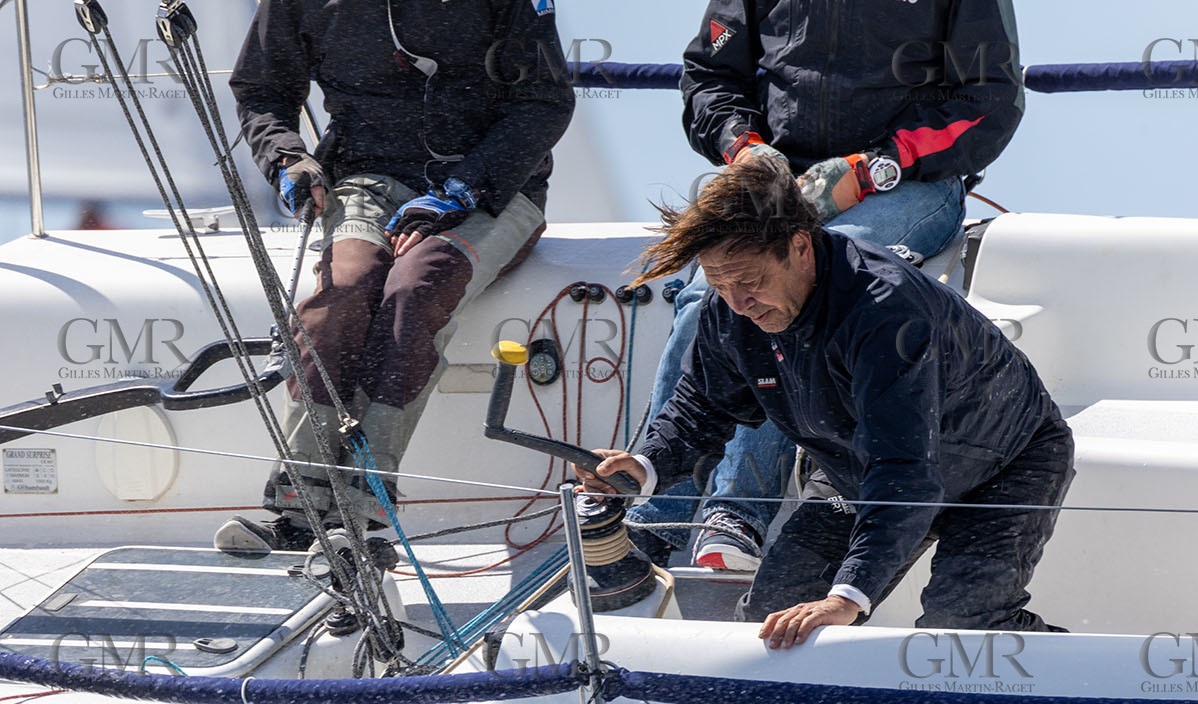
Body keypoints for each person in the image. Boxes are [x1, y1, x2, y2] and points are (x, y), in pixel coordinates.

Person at [576, 157, 1072, 648]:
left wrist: (848, 596)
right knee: (772, 622)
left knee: (963, 625)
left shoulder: (885, 309)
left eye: (749, 282)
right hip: (854, 475)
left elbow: (903, 469)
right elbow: (704, 406)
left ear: (800, 246)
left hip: (1004, 465)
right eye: (720, 285)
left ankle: (1089, 684)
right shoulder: (730, 309)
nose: (738, 304)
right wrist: (645, 464)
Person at [627, 0, 1026, 573]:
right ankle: (654, 516)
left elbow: (991, 100)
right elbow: (710, 76)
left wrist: (875, 166)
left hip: (911, 182)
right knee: (707, 302)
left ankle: (735, 514)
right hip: (775, 178)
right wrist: (744, 147)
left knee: (808, 283)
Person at [217, 0, 576, 552]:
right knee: (341, 295)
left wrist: (462, 190)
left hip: (494, 193)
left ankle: (363, 510)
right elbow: (263, 88)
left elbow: (544, 103)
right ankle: (299, 508)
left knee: (415, 290)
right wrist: (287, 158)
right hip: (366, 180)